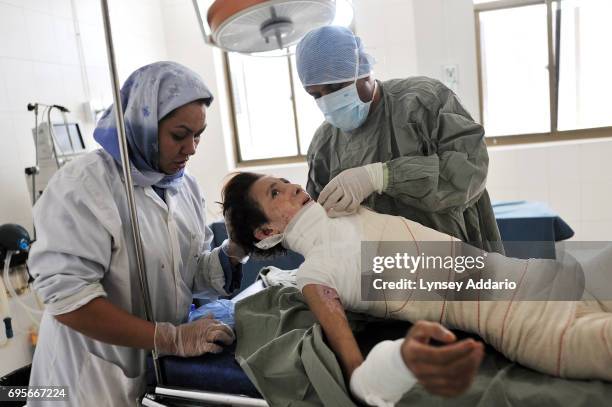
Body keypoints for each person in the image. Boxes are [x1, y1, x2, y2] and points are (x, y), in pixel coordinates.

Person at [221, 172, 612, 406]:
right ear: (267, 232)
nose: (291, 188)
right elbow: (359, 379)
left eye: (285, 181)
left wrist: (374, 175)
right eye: (275, 193)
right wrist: (398, 362)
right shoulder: (317, 275)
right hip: (529, 324)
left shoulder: (348, 207)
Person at [27, 62, 244, 406]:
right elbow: (69, 302)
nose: (192, 148)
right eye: (179, 134)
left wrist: (234, 250)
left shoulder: (183, 186)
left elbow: (187, 274)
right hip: (85, 382)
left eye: (198, 134)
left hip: (152, 376)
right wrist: (170, 338)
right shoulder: (85, 186)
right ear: (142, 124)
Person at [296, 26, 503, 254]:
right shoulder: (323, 144)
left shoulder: (423, 101)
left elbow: (470, 172)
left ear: (363, 69)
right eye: (316, 95)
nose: (328, 101)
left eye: (335, 87)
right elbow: (324, 227)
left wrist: (383, 176)